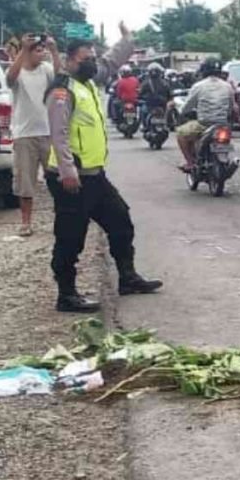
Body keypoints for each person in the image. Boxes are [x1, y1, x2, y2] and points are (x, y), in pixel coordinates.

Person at [44, 29, 163, 313]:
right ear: (70, 60)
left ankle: (128, 277)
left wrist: (127, 40)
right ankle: (67, 295)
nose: (92, 63)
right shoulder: (62, 89)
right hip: (70, 178)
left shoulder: (88, 83)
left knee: (120, 221)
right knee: (70, 237)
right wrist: (67, 170)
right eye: (86, 58)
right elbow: (58, 134)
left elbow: (111, 61)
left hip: (94, 175)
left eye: (93, 57)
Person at [6, 32, 62, 236]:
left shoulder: (46, 70)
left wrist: (54, 50)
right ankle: (26, 222)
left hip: (48, 132)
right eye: (38, 50)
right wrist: (22, 48)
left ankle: (62, 218)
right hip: (24, 134)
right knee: (25, 183)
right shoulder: (18, 71)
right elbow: (9, 79)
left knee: (57, 179)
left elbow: (61, 78)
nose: (42, 53)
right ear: (28, 52)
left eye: (43, 49)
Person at [176, 57, 235, 172]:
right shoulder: (227, 86)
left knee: (181, 134)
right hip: (222, 124)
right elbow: (231, 107)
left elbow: (186, 107)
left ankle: (190, 163)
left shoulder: (198, 86)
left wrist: (181, 112)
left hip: (204, 124)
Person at [138, 62, 172, 128]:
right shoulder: (164, 83)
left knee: (142, 111)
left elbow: (140, 93)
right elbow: (169, 94)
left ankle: (144, 125)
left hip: (150, 104)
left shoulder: (146, 83)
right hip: (161, 104)